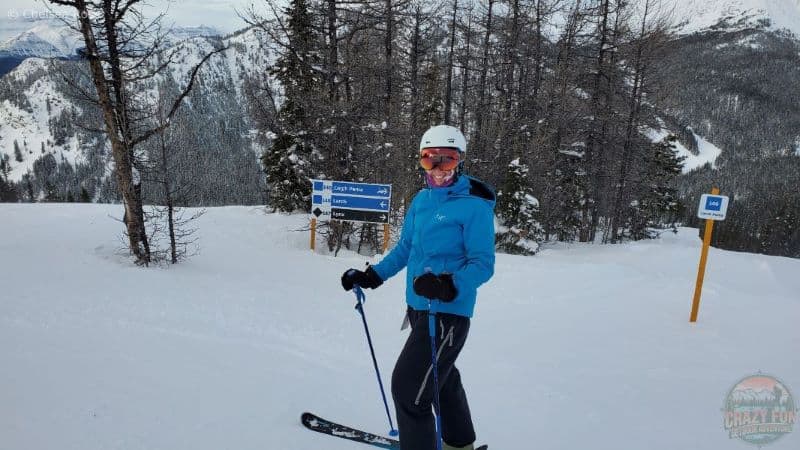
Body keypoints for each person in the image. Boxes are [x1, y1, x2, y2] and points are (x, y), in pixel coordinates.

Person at [341, 125, 496, 450]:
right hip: (419, 308)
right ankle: (459, 445)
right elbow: (405, 248)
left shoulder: (474, 206)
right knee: (441, 379)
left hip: (448, 313)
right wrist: (372, 276)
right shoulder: (421, 201)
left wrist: (448, 284)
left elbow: (482, 264)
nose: (438, 171)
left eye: (447, 161)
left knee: (409, 389)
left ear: (460, 162)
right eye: (430, 161)